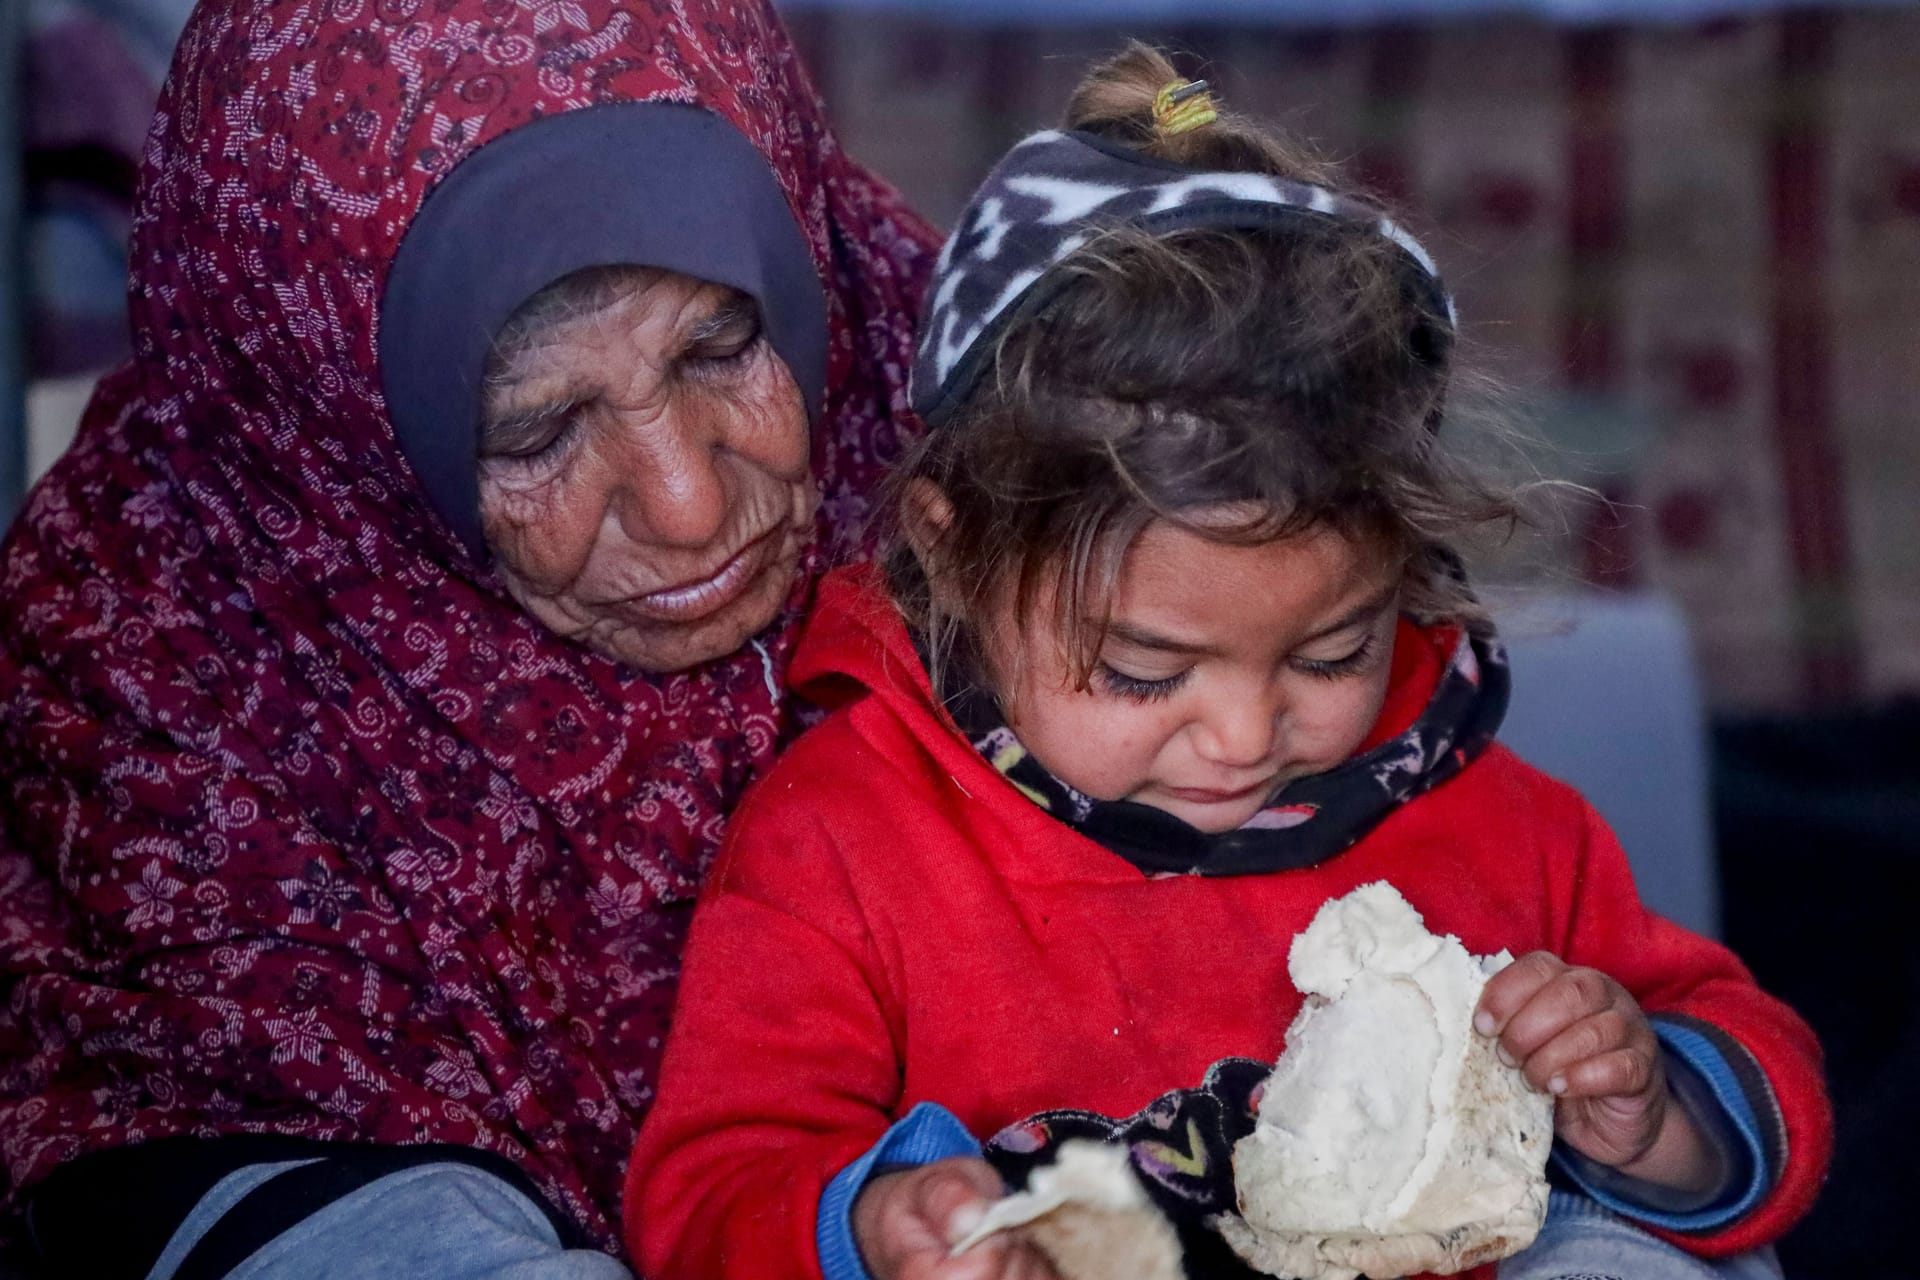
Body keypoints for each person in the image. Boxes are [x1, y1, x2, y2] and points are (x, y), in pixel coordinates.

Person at [624, 45, 1831, 1280]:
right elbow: (711, 1185)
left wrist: (1650, 1112)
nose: (1249, 737)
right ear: (955, 550)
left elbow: (1751, 1071)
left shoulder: (1495, 821)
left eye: (1335, 648)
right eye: (1148, 672)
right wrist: (874, 1225)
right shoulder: (842, 847)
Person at [0, 0, 938, 1276]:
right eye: (538, 431)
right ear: (337, 436)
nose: (690, 503)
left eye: (721, 345)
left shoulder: (982, 414)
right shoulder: (177, 674)